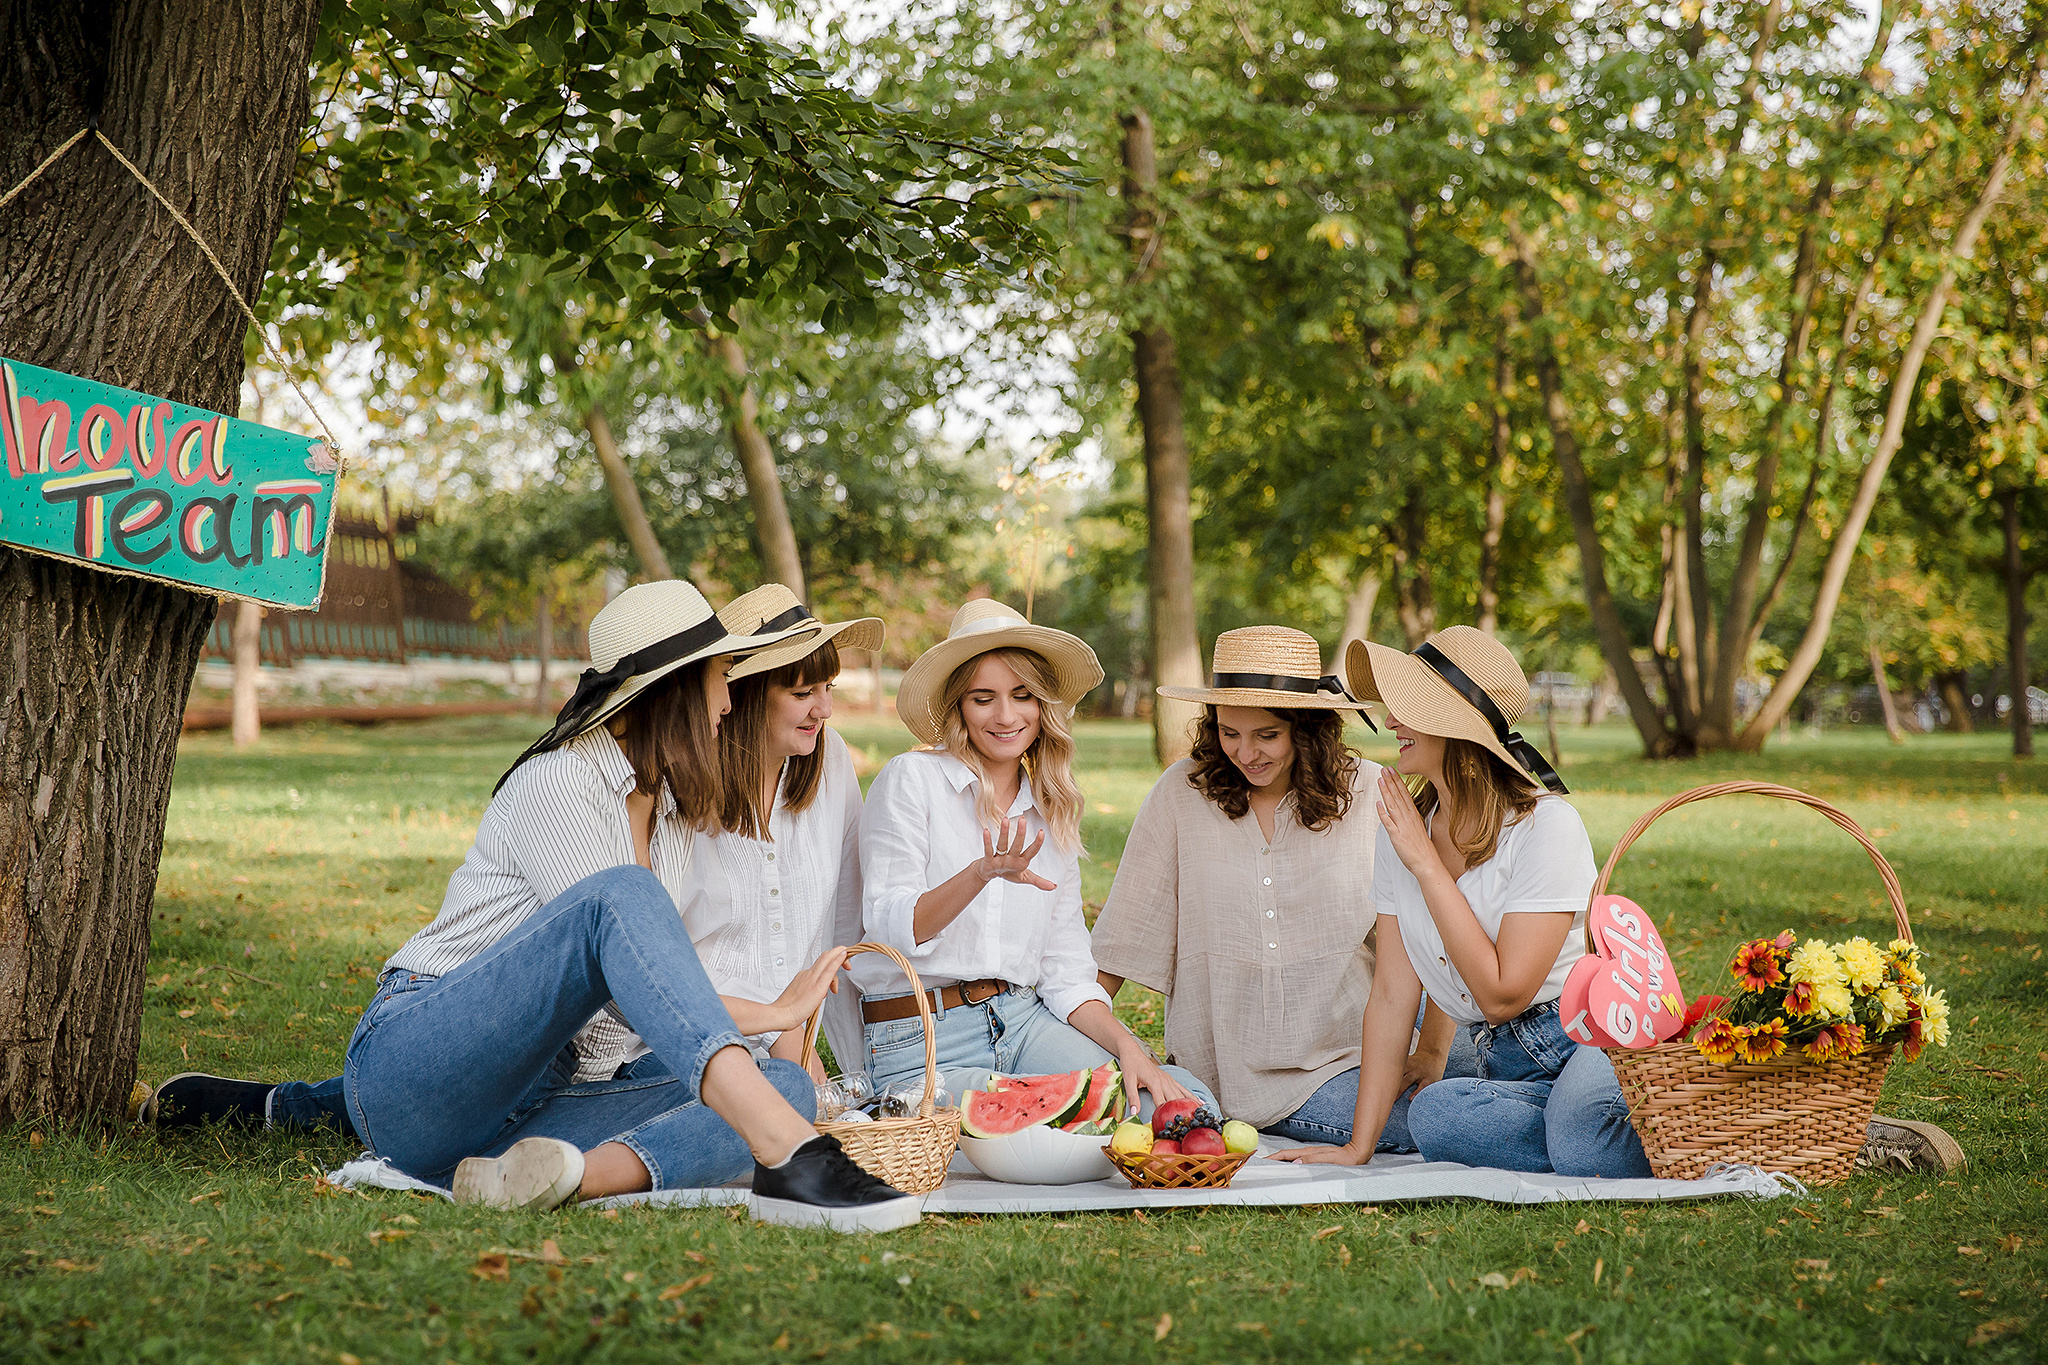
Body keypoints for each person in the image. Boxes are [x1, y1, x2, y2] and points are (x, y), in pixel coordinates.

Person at [150, 582, 920, 1231]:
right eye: (722, 675)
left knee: (781, 1086)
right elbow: (628, 983)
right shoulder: (560, 782)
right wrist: (773, 1010)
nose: (730, 697)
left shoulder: (679, 814)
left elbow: (635, 1013)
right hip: (422, 1066)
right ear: (676, 690)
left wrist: (776, 1025)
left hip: (544, 1101)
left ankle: (562, 1176)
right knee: (623, 898)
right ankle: (796, 1155)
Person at [1276, 625, 1650, 1177]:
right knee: (1435, 1117)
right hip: (1493, 1058)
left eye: (1408, 706)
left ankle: (1608, 1127)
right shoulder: (1406, 827)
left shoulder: (1545, 827)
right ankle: (1589, 1132)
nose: (1393, 719)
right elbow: (1391, 994)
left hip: (1584, 1039)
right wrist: (1359, 1146)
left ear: (1454, 729)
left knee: (1579, 1141)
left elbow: (1502, 995)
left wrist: (1426, 866)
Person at [1091, 625, 1467, 1147]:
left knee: (1478, 1058)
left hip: (1357, 1050)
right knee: (1441, 1120)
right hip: (1235, 1076)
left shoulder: (1370, 792)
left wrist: (1430, 1052)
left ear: (1306, 728)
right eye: (1229, 733)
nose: (1246, 753)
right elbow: (1124, 936)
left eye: (1267, 735)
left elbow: (1437, 931)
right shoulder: (1180, 793)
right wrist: (1071, 1043)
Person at [854, 599, 1213, 1113]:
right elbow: (890, 926)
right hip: (923, 1037)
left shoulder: (1050, 809)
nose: (1006, 716)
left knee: (1185, 1101)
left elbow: (1065, 972)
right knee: (1038, 1121)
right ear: (958, 706)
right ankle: (900, 1107)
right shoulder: (912, 780)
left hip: (1023, 1023)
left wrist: (1130, 1048)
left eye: (1022, 696)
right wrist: (980, 875)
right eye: (984, 699)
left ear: (1043, 706)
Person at [566, 583, 879, 1085]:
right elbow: (657, 956)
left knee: (794, 1096)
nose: (823, 709)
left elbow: (845, 926)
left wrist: (854, 1068)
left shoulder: (831, 762)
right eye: (802, 694)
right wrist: (778, 1028)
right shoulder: (676, 788)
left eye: (828, 689)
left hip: (780, 1037)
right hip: (673, 1036)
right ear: (745, 695)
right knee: (770, 1101)